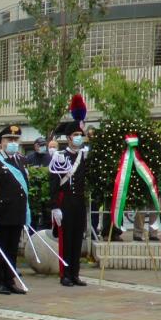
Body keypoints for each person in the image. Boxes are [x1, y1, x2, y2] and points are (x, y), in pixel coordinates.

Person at [49, 96, 90, 287]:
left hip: (79, 202)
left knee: (77, 238)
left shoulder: (84, 156)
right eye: (75, 135)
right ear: (68, 138)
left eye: (80, 135)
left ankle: (75, 273)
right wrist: (55, 207)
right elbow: (54, 184)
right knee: (66, 240)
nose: (78, 138)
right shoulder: (59, 157)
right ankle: (65, 273)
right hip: (65, 203)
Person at [0, 125, 29, 295]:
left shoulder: (20, 159)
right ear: (1, 142)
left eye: (15, 140)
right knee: (1, 248)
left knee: (12, 248)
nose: (12, 143)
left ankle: (9, 279)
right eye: (9, 140)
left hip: (17, 211)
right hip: (2, 212)